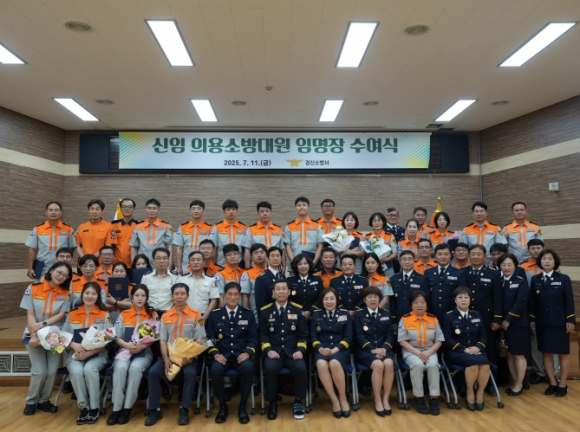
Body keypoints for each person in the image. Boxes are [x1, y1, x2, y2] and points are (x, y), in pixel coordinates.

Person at [145, 283, 203, 426]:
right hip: (170, 358)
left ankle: (184, 409)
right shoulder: (165, 316)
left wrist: (190, 357)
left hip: (189, 359)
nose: (179, 296)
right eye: (176, 294)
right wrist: (166, 359)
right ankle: (154, 410)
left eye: (182, 294)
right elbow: (163, 341)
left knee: (190, 373)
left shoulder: (197, 315)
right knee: (153, 372)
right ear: (172, 296)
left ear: (188, 296)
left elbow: (200, 340)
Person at [21, 262, 72, 415]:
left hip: (54, 335)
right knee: (39, 371)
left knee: (51, 371)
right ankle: (31, 401)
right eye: (59, 272)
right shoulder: (33, 288)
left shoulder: (66, 293)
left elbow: (61, 315)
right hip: (33, 334)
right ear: (51, 271)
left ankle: (44, 400)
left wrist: (42, 324)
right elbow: (30, 314)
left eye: (65, 275)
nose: (61, 276)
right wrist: (33, 335)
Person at [206, 282, 258, 424]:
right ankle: (223, 406)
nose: (233, 297)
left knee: (248, 368)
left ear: (240, 296)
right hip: (221, 356)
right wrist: (216, 354)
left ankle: (242, 406)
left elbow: (253, 338)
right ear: (224, 295)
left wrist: (247, 352)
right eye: (230, 294)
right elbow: (209, 339)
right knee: (215, 370)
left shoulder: (248, 314)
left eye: (236, 294)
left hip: (241, 356)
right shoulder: (215, 315)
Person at [108, 285, 159, 425]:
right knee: (120, 368)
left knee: (135, 369)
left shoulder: (152, 314)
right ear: (131, 297)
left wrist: (143, 346)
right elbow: (116, 337)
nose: (140, 298)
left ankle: (127, 408)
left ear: (147, 297)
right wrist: (126, 345)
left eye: (143, 296)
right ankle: (116, 408)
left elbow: (155, 337)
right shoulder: (124, 314)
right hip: (125, 351)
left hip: (144, 352)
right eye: (137, 295)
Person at [63, 282, 112, 424]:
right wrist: (73, 345)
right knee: (77, 371)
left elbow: (108, 339)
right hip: (75, 355)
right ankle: (83, 408)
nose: (90, 296)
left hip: (97, 355)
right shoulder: (72, 314)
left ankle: (95, 408)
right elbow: (63, 336)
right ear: (82, 294)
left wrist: (89, 353)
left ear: (98, 296)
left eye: (93, 294)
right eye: (87, 293)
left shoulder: (104, 314)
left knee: (89, 369)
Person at [259, 280, 308, 420]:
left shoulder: (297, 310)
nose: (281, 292)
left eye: (284, 289)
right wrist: (268, 350)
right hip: (273, 352)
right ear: (273, 293)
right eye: (278, 289)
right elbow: (262, 335)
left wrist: (300, 350)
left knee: (301, 368)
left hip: (293, 352)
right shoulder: (265, 311)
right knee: (270, 368)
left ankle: (298, 402)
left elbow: (303, 335)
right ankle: (272, 402)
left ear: (289, 292)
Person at [529, 249, 575, 397]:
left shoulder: (563, 278)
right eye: (544, 259)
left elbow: (569, 301)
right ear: (540, 262)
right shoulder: (535, 279)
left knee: (563, 353)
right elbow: (532, 302)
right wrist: (532, 319)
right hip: (542, 322)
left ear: (555, 262)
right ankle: (552, 382)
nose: (547, 261)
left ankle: (563, 383)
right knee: (546, 353)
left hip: (560, 322)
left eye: (550, 259)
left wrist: (570, 319)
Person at [442, 287, 490, 411]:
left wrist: (477, 347)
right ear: (455, 300)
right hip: (457, 351)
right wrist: (464, 349)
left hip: (476, 350)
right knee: (473, 364)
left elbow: (483, 336)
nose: (463, 300)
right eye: (460, 297)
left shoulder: (476, 315)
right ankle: (469, 391)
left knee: (485, 364)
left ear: (470, 299)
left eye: (466, 297)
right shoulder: (449, 316)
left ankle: (480, 392)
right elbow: (448, 338)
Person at [463, 245, 502, 395]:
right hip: (467, 319)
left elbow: (498, 298)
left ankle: (492, 384)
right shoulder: (464, 272)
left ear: (485, 257)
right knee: (468, 351)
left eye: (479, 254)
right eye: (473, 254)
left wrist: (497, 319)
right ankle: (467, 385)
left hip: (486, 320)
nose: (475, 256)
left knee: (489, 351)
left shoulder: (493, 274)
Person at [398, 291, 444, 416]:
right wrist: (418, 353)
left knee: (433, 365)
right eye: (416, 302)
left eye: (423, 302)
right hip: (411, 352)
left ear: (427, 305)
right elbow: (402, 341)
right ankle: (419, 397)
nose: (420, 305)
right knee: (417, 365)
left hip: (430, 351)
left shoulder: (433, 319)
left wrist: (429, 352)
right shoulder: (405, 319)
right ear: (411, 305)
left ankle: (434, 398)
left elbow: (439, 340)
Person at [353, 286, 395, 416]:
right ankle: (377, 400)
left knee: (389, 364)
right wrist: (372, 349)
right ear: (364, 300)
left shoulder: (386, 314)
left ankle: (385, 399)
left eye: (375, 297)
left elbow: (390, 335)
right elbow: (359, 336)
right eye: (369, 297)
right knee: (378, 365)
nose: (373, 299)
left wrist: (384, 348)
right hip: (365, 351)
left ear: (379, 299)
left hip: (383, 349)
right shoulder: (359, 314)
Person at [311, 288, 353, 418]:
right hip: (322, 348)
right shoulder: (316, 315)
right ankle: (334, 400)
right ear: (321, 301)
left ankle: (343, 398)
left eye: (332, 298)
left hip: (340, 349)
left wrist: (336, 349)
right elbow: (313, 336)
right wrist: (320, 348)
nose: (329, 302)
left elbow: (348, 337)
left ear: (337, 300)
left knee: (334, 362)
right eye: (326, 299)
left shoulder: (344, 314)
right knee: (321, 364)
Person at [496, 253, 530, 396]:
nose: (506, 267)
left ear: (515, 266)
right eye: (503, 265)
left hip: (518, 324)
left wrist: (508, 319)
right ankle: (515, 381)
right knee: (509, 355)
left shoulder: (521, 281)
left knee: (518, 354)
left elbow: (520, 303)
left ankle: (519, 384)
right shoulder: (499, 281)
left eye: (509, 265)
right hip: (503, 325)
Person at [520, 239, 551, 385]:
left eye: (538, 248)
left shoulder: (551, 265)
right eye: (532, 248)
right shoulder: (523, 267)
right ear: (528, 250)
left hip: (549, 309)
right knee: (535, 342)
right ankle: (539, 372)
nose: (536, 250)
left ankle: (553, 373)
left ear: (543, 248)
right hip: (531, 308)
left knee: (551, 342)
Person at [26, 201, 76, 279]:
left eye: (56, 210)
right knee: (41, 286)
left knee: (60, 286)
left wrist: (67, 262)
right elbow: (32, 249)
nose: (53, 212)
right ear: (46, 213)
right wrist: (30, 268)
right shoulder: (38, 228)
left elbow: (71, 248)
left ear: (61, 213)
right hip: (42, 267)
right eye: (51, 210)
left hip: (61, 267)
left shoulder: (68, 229)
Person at [424, 244, 467, 323]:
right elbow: (425, 294)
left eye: (446, 254)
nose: (443, 257)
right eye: (440, 254)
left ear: (451, 255)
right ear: (435, 256)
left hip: (452, 314)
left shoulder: (458, 273)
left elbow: (462, 295)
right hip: (432, 313)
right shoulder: (428, 272)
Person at [177, 251, 220, 329]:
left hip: (203, 316)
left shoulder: (210, 280)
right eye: (193, 260)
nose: (195, 262)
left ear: (203, 262)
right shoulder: (181, 279)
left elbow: (214, 301)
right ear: (189, 263)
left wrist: (204, 318)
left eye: (198, 260)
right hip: (184, 316)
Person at [173, 199, 215, 274]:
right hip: (186, 265)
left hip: (203, 265)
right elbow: (179, 248)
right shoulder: (183, 227)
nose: (196, 211)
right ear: (190, 211)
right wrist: (179, 266)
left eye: (199, 209)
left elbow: (212, 249)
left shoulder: (209, 228)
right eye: (193, 209)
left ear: (203, 211)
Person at [129, 198, 174, 267]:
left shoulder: (167, 226)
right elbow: (134, 247)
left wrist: (169, 266)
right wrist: (134, 266)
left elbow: (169, 247)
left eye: (154, 208)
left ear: (159, 211)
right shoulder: (138, 227)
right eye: (149, 208)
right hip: (143, 264)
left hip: (160, 263)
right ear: (145, 210)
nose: (151, 211)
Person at [283, 196, 324, 267]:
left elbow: (320, 246)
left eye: (304, 205)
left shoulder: (317, 226)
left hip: (312, 263)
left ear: (308, 208)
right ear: (295, 208)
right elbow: (288, 247)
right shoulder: (289, 226)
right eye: (299, 205)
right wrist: (294, 263)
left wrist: (314, 262)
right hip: (294, 263)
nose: (301, 207)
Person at [389, 251, 430, 323]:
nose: (407, 262)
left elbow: (426, 300)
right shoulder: (394, 279)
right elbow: (393, 301)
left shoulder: (422, 279)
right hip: (399, 318)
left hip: (416, 318)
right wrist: (393, 318)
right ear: (400, 262)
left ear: (414, 261)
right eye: (404, 259)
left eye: (409, 259)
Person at [242, 201, 284, 268]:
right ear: (258, 214)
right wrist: (247, 267)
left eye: (267, 211)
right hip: (257, 266)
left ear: (271, 213)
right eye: (262, 211)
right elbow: (247, 249)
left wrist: (283, 266)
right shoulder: (251, 229)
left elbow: (283, 250)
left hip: (275, 266)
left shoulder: (279, 229)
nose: (265, 213)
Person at [141, 247, 178, 315]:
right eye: (158, 258)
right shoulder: (146, 277)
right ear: (153, 261)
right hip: (150, 313)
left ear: (168, 260)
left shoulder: (176, 277)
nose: (161, 261)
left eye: (164, 258)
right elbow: (142, 296)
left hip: (169, 314)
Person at [287, 253, 323, 319]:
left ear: (309, 265)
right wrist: (300, 312)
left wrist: (310, 311)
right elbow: (288, 299)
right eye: (300, 264)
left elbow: (321, 297)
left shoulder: (317, 279)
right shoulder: (290, 280)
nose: (303, 266)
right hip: (296, 315)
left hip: (315, 315)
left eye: (305, 263)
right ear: (296, 266)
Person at [212, 199, 247, 267]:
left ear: (237, 211)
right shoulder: (217, 227)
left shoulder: (244, 228)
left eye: (233, 209)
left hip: (239, 264)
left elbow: (245, 249)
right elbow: (214, 248)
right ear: (224, 212)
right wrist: (213, 265)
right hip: (221, 264)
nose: (231, 212)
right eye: (228, 210)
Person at [365, 212, 397, 277]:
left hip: (387, 266)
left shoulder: (390, 236)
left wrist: (387, 259)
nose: (377, 223)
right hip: (372, 267)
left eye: (379, 220)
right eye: (374, 221)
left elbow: (395, 253)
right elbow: (366, 253)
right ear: (371, 223)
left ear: (383, 222)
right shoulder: (368, 237)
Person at [111, 198, 140, 267]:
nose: (127, 209)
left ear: (134, 209)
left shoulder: (139, 226)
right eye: (124, 207)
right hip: (116, 265)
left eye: (130, 207)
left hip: (133, 265)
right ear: (121, 209)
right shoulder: (113, 225)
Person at [254, 246, 285, 310]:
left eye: (278, 256)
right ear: (267, 259)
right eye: (272, 256)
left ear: (281, 258)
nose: (275, 258)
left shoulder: (282, 276)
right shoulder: (261, 279)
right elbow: (261, 304)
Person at [242, 244, 268, 319]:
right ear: (251, 256)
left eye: (262, 252)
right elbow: (245, 296)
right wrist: (247, 315)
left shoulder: (271, 271)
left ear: (266, 255)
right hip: (255, 315)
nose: (259, 255)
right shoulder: (247, 273)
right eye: (256, 253)